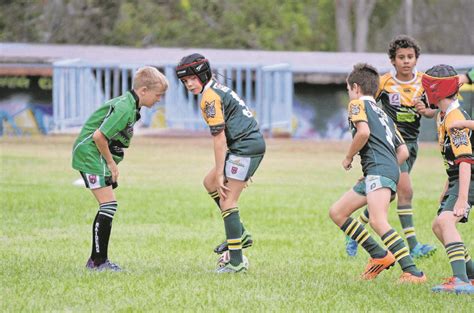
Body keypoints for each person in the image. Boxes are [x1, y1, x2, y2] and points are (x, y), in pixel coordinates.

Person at [329, 63, 427, 283]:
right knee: (337, 212)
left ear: (355, 88)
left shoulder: (356, 105)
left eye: (347, 90)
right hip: (384, 170)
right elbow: (402, 151)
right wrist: (384, 167)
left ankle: (413, 272)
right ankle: (379, 255)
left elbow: (362, 133)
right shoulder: (385, 116)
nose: (348, 94)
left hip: (378, 171)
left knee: (378, 221)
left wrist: (348, 157)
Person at [346, 35, 437, 258]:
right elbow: (368, 104)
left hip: (410, 145)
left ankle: (355, 230)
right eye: (401, 57)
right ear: (392, 61)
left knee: (390, 194)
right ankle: (413, 246)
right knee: (406, 191)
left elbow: (433, 109)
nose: (406, 61)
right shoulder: (385, 82)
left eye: (410, 57)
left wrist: (426, 111)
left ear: (416, 59)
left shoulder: (424, 82)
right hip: (392, 145)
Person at [175, 53, 265, 273]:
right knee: (209, 183)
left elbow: (219, 139)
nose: (189, 84)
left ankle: (236, 263)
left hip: (245, 148)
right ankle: (240, 233)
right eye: (185, 82)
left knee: (227, 200)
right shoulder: (216, 89)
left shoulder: (209, 97)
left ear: (203, 74)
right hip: (246, 146)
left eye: (192, 79)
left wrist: (220, 172)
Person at [72, 66, 168, 271]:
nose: (159, 99)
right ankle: (98, 262)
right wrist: (111, 163)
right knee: (108, 205)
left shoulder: (131, 106)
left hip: (95, 154)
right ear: (143, 91)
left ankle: (97, 260)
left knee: (109, 205)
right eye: (158, 95)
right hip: (91, 154)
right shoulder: (125, 108)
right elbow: (99, 136)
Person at [421, 64, 474, 294]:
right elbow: (453, 161)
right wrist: (447, 187)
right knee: (438, 225)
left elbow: (465, 161)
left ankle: (460, 280)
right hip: (458, 179)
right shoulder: (443, 115)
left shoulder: (454, 118)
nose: (423, 93)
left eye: (425, 88)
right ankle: (471, 274)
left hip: (469, 178)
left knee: (446, 221)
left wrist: (461, 199)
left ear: (436, 90)